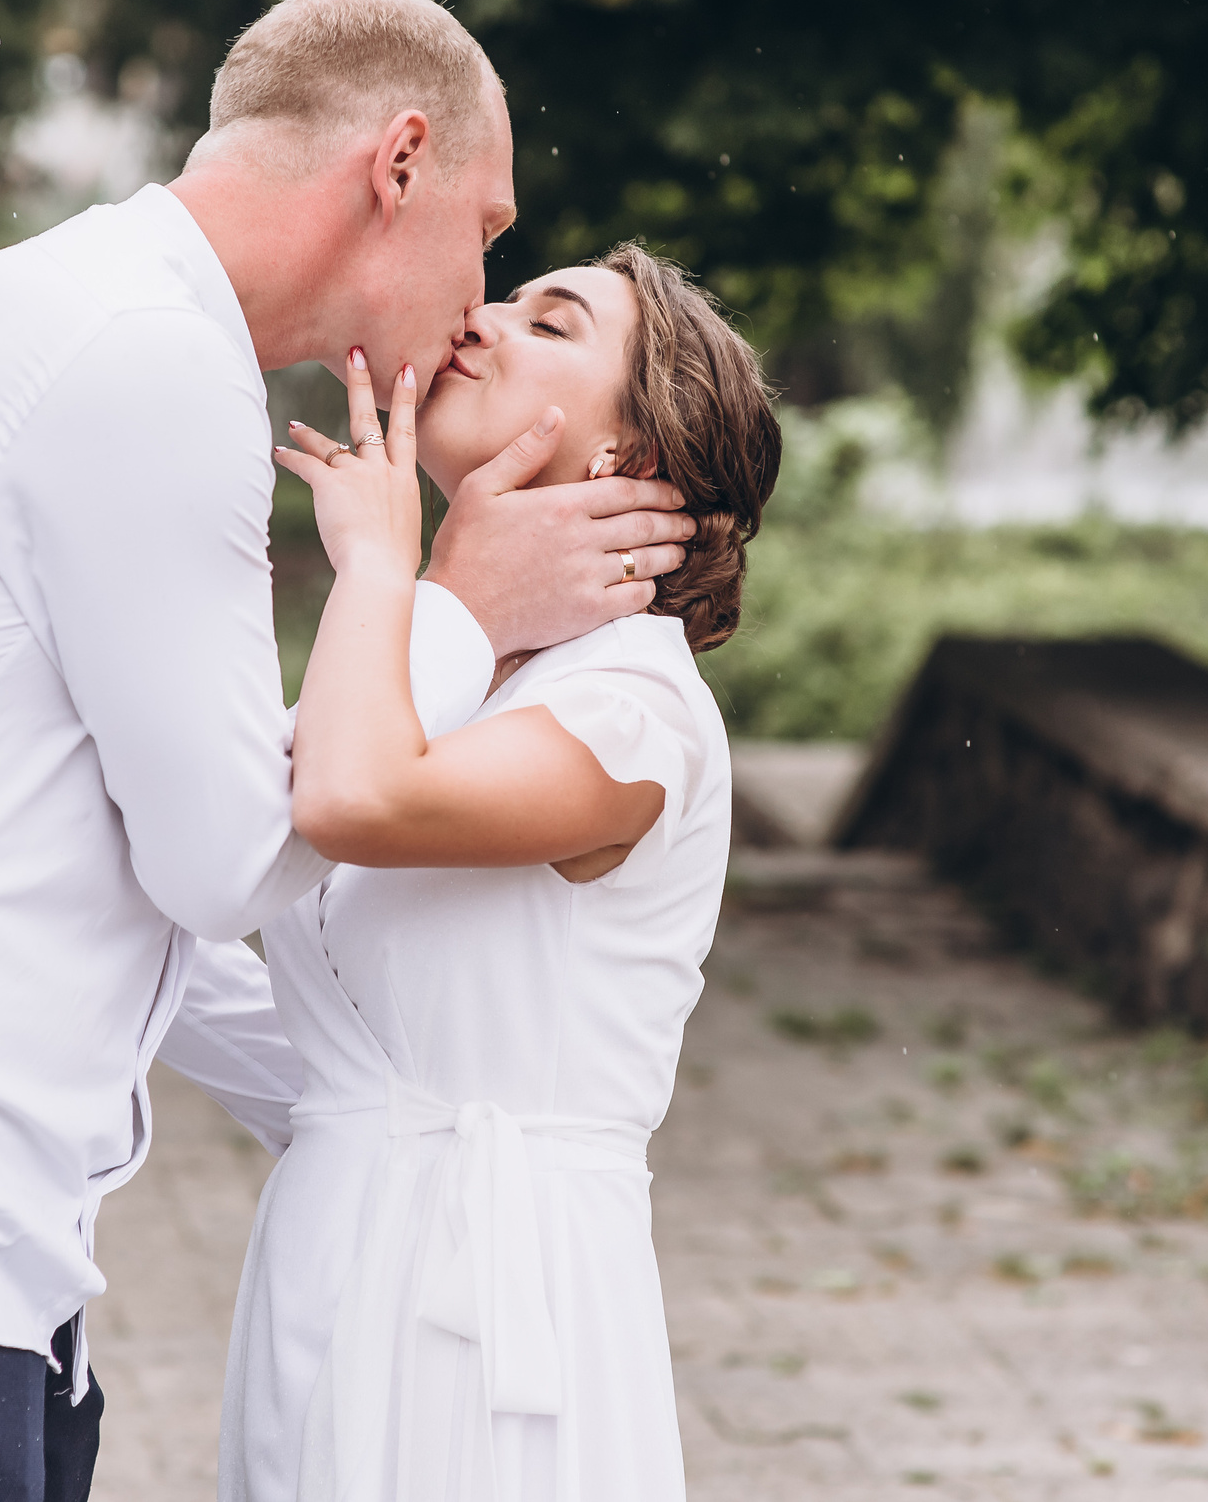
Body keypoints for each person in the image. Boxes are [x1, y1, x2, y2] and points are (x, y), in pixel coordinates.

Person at [0, 0, 700, 1502]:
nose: (479, 295)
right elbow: (231, 854)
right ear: (398, 163)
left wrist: (411, 1140)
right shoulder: (141, 355)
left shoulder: (99, 319)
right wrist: (449, 602)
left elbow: (176, 875)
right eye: (488, 231)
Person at [226, 244, 782, 1501]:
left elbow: (351, 798)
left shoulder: (633, 704)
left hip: (484, 1306)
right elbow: (242, 853)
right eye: (506, 296)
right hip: (328, 1271)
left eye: (551, 322)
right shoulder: (453, 672)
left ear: (627, 455)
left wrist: (390, 571)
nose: (480, 316)